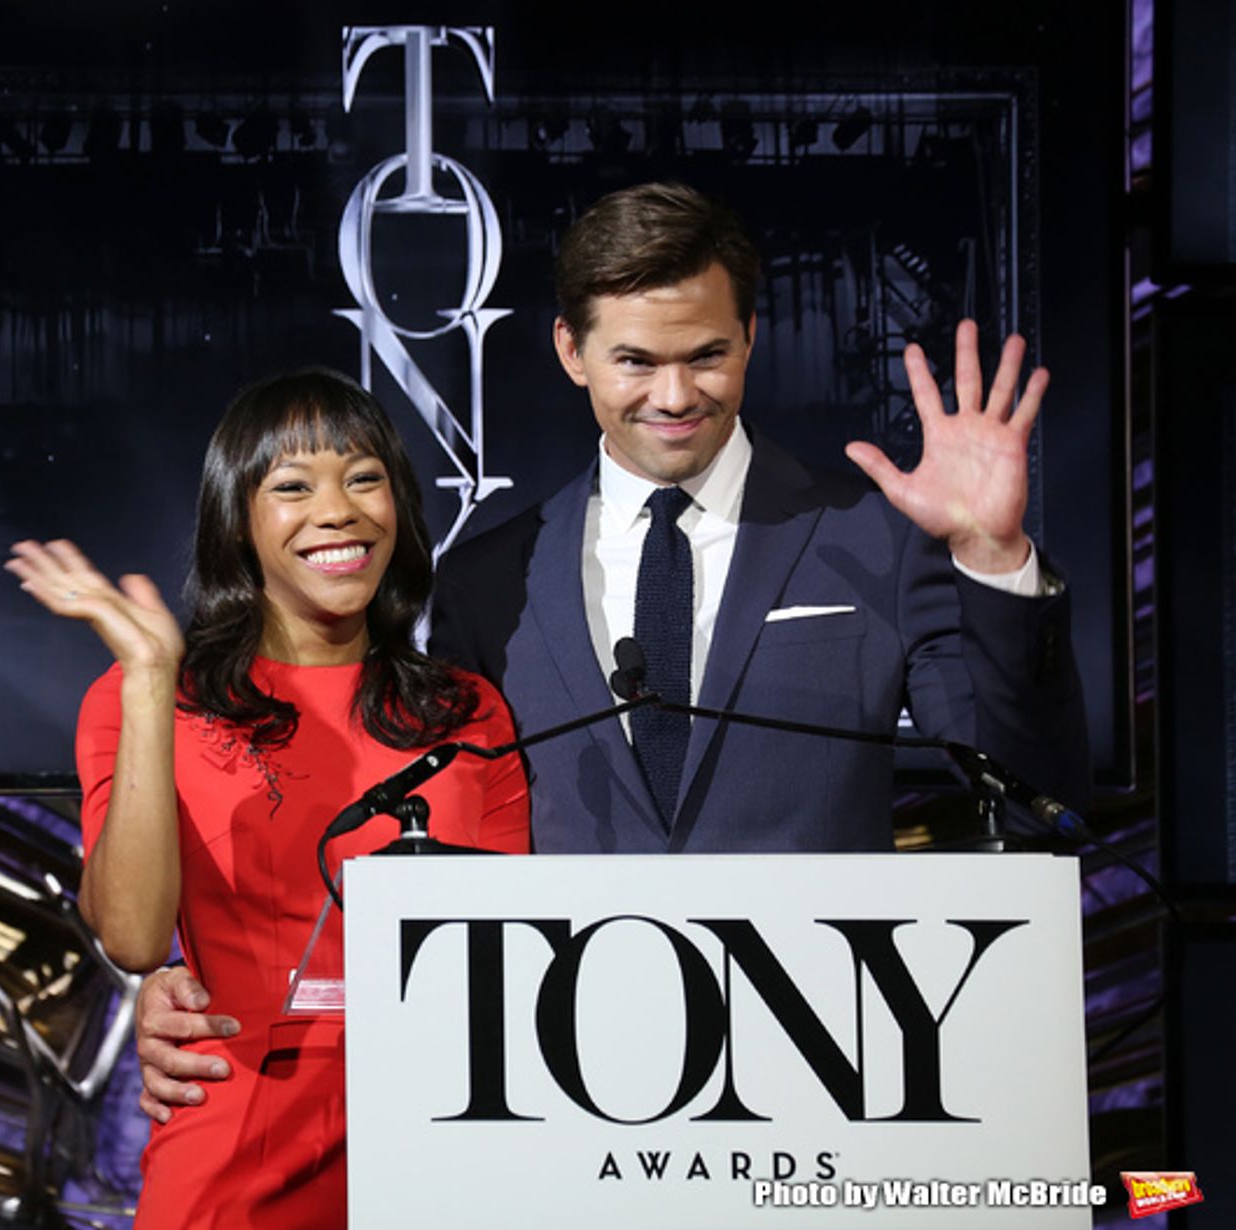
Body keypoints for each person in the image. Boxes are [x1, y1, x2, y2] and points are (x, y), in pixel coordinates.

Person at [132, 182, 1088, 1112]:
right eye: (636, 360)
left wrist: (994, 557)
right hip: (565, 1097)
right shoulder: (489, 580)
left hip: (829, 1078)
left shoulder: (870, 540)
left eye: (707, 355)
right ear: (570, 350)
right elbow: (408, 831)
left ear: (752, 338)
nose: (675, 396)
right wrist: (200, 979)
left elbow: (1036, 797)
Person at [6, 370, 529, 1229]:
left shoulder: (465, 711)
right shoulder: (149, 700)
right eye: (291, 487)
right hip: (237, 1146)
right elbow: (135, 938)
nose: (339, 511)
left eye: (365, 478)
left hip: (447, 1146)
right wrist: (147, 678)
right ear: (237, 524)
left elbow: (513, 953)